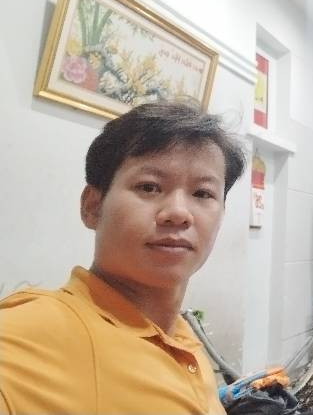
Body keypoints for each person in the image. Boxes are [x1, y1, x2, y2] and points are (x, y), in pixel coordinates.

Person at [0, 102, 246, 413]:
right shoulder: (32, 337)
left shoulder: (183, 340)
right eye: (149, 187)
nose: (178, 213)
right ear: (92, 206)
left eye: (202, 193)